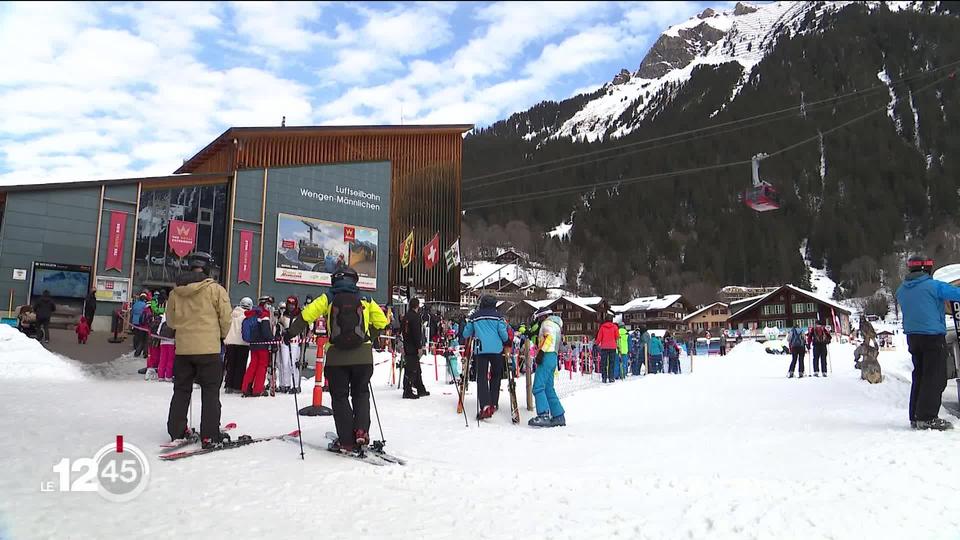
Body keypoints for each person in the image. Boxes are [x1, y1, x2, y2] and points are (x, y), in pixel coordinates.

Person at [287, 267, 388, 453]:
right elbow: (382, 322)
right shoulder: (365, 299)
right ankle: (361, 431)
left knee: (340, 397)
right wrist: (369, 338)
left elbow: (306, 315)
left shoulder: (328, 297)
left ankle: (346, 440)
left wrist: (289, 333)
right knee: (361, 393)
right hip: (363, 357)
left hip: (336, 358)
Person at [165, 253, 232, 448]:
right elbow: (226, 318)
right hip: (209, 349)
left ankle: (177, 431)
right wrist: (219, 335)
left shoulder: (176, 293)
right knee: (210, 392)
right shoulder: (216, 290)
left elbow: (171, 321)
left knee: (181, 390)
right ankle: (210, 435)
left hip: (184, 350)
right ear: (208, 270)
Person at [896, 255, 960, 430]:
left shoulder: (901, 290)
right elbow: (956, 294)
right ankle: (927, 417)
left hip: (913, 338)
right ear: (927, 269)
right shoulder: (933, 286)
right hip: (932, 337)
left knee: (920, 376)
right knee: (935, 377)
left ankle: (916, 416)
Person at [463, 295, 510, 420]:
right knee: (496, 375)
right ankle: (494, 402)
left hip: (481, 349)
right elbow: (503, 334)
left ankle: (485, 405)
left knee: (482, 377)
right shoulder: (499, 316)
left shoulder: (475, 317)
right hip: (497, 350)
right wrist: (506, 341)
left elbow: (466, 333)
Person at [529, 308, 565, 427]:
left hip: (546, 355)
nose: (539, 321)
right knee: (549, 388)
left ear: (543, 316)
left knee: (538, 387)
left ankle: (543, 415)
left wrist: (541, 352)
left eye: (539, 318)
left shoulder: (546, 324)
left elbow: (548, 338)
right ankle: (558, 415)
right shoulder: (557, 326)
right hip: (553, 357)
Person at [240, 301, 273, 397]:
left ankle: (246, 387)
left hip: (253, 344)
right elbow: (266, 331)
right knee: (262, 366)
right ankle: (258, 389)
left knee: (253, 365)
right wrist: (273, 339)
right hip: (262, 345)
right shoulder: (264, 315)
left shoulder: (253, 314)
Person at [223, 297, 253, 394]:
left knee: (230, 365)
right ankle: (237, 386)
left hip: (230, 342)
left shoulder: (232, 314)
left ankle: (228, 385)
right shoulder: (247, 316)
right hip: (242, 343)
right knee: (240, 365)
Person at [400, 298, 428, 399]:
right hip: (413, 346)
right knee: (411, 369)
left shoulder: (406, 317)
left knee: (416, 368)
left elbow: (402, 331)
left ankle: (420, 388)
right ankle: (407, 390)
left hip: (406, 344)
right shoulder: (416, 317)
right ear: (417, 306)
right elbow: (417, 333)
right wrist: (419, 347)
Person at [277, 296, 302, 394]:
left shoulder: (299, 315)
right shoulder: (283, 315)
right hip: (285, 340)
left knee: (293, 363)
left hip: (295, 339)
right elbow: (279, 325)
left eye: (293, 305)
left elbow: (302, 327)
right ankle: (286, 384)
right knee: (285, 362)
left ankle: (296, 385)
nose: (291, 307)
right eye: (289, 304)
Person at [595, 315, 619, 383]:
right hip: (612, 347)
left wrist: (596, 343)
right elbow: (617, 337)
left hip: (604, 347)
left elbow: (599, 337)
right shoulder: (615, 327)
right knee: (612, 363)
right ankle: (611, 377)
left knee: (604, 363)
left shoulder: (602, 327)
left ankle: (604, 378)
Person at [155, 313, 176, 382]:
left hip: (162, 342)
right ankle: (168, 376)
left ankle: (160, 376)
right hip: (171, 343)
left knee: (162, 359)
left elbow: (158, 332)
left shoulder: (163, 322)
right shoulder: (174, 322)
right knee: (170, 360)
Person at [130, 292, 148, 357]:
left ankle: (135, 346)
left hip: (134, 321)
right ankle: (139, 347)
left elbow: (132, 312)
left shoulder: (135, 304)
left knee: (136, 334)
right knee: (141, 336)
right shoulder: (145, 305)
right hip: (141, 322)